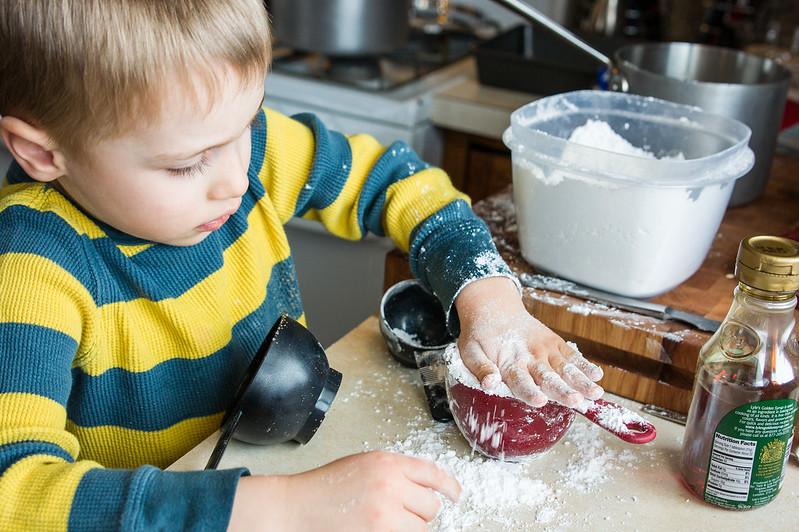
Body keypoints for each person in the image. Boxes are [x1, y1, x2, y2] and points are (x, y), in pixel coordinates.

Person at [0, 1, 604, 530]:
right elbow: (14, 492)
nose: (238, 179)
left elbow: (398, 182)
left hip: (276, 463)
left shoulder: (248, 155)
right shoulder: (30, 270)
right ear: (40, 151)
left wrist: (488, 299)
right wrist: (282, 510)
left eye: (248, 123)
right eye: (187, 164)